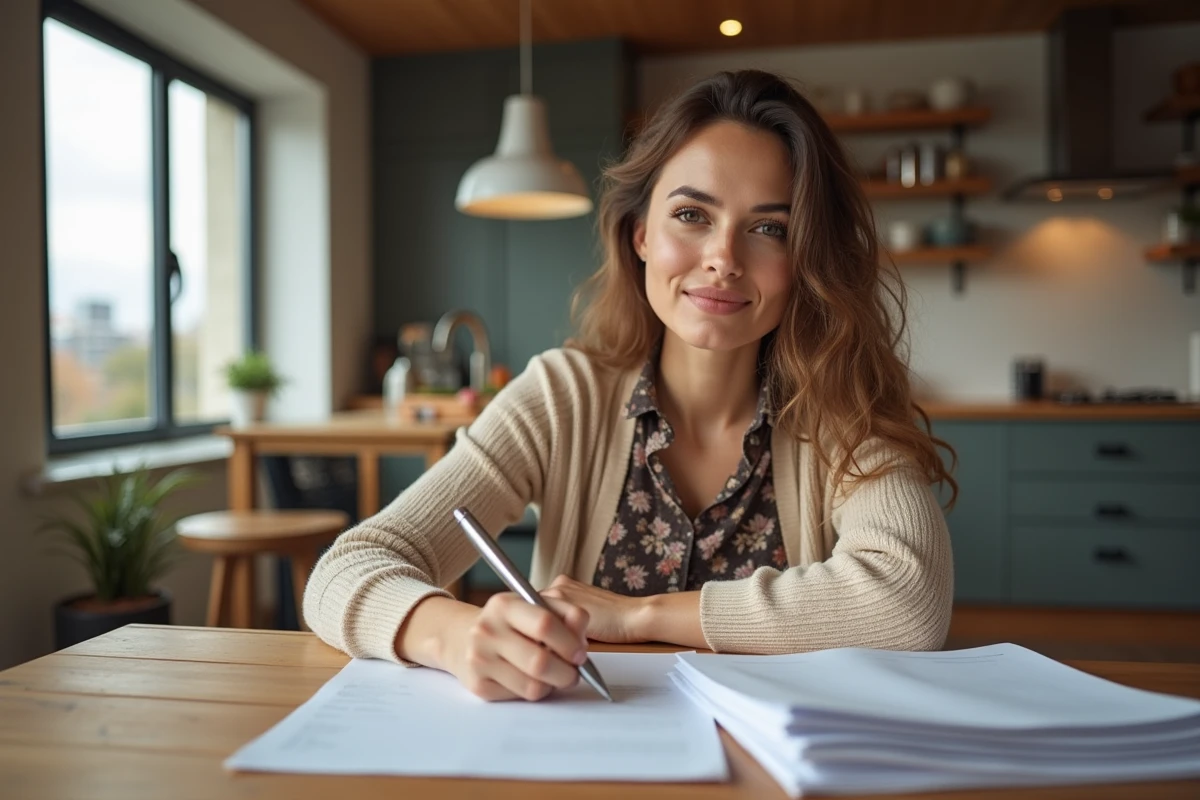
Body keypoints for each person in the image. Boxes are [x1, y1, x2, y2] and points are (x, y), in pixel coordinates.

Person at [304, 70, 957, 702]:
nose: (723, 259)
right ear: (641, 234)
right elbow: (346, 570)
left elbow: (910, 603)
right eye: (692, 214)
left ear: (806, 256)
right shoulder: (563, 397)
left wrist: (638, 615)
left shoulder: (844, 411)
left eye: (769, 228)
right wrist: (456, 636)